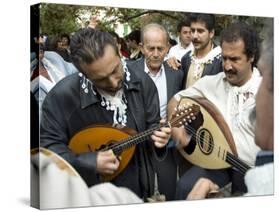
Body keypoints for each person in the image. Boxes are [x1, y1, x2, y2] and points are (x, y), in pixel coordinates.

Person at [40, 28, 171, 201]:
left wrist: (160, 138)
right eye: (101, 79)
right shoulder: (61, 97)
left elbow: (152, 125)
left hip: (137, 188)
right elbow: (48, 151)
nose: (113, 82)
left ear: (118, 50)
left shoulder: (143, 82)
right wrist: (89, 162)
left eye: (115, 69)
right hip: (89, 195)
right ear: (83, 73)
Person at [167, 22, 262, 200]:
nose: (227, 66)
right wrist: (176, 127)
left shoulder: (267, 92)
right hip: (217, 161)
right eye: (224, 58)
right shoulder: (212, 82)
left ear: (251, 57)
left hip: (252, 168)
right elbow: (176, 100)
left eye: (234, 59)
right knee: (185, 187)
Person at [126, 23, 184, 200]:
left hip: (166, 143)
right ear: (142, 47)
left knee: (170, 189)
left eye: (161, 48)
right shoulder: (128, 72)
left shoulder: (176, 74)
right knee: (139, 193)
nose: (156, 53)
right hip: (137, 145)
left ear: (168, 48)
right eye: (151, 48)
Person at [168, 13, 223, 89]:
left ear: (211, 33)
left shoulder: (221, 61)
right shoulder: (186, 58)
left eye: (200, 31)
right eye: (192, 31)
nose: (194, 36)